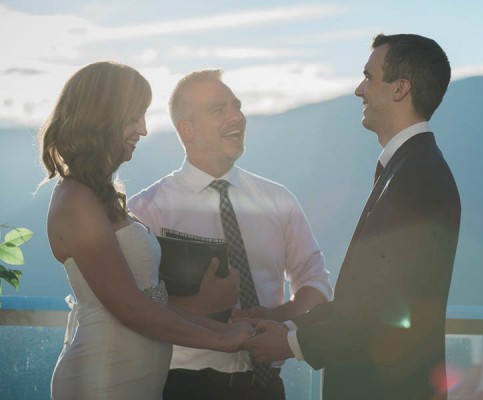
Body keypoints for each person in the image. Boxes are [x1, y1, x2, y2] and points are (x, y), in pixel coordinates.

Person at [245, 33, 461, 400]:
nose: (359, 90)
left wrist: (292, 345)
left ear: (400, 89)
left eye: (369, 77)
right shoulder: (408, 168)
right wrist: (284, 324)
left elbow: (381, 307)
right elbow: (362, 298)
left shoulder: (415, 177)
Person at [39, 61, 254, 400]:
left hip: (132, 380)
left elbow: (152, 300)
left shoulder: (100, 196)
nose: (143, 129)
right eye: (133, 117)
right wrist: (221, 341)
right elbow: (130, 309)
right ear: (101, 117)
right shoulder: (76, 200)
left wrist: (229, 329)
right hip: (104, 381)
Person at [127, 69, 333, 400]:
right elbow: (135, 304)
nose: (236, 116)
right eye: (218, 110)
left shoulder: (278, 200)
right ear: (187, 129)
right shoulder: (147, 210)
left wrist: (274, 317)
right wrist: (199, 305)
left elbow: (316, 284)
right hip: (182, 386)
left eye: (236, 106)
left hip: (266, 386)